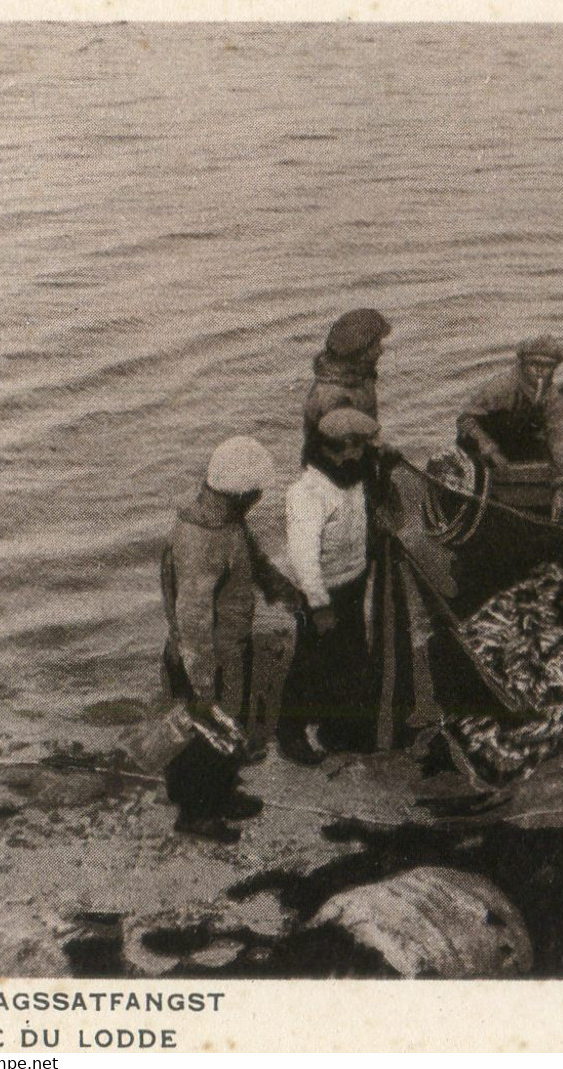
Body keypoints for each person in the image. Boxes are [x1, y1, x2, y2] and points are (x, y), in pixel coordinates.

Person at [160, 436, 301, 843]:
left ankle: (221, 794)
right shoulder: (200, 540)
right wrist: (201, 683)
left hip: (226, 652)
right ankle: (196, 814)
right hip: (200, 658)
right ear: (240, 495)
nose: (258, 500)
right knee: (202, 736)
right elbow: (192, 619)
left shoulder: (227, 521)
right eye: (255, 494)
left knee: (225, 730)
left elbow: (253, 559)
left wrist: (284, 591)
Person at [279, 407, 380, 763]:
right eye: (358, 446)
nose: (364, 452)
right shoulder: (308, 493)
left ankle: (337, 730)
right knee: (309, 661)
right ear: (337, 449)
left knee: (350, 657)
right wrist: (319, 606)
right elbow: (303, 559)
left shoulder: (351, 477)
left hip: (352, 582)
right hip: (320, 592)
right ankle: (289, 735)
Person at [455, 335, 563, 521]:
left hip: (514, 438)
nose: (540, 370)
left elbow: (557, 437)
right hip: (481, 440)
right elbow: (465, 419)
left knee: (543, 459)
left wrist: (560, 485)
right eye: (534, 363)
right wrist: (490, 450)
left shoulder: (552, 396)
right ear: (523, 364)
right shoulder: (502, 386)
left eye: (547, 365)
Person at [302, 308, 391, 458]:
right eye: (376, 345)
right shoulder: (334, 395)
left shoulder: (360, 379)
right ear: (361, 352)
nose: (381, 351)